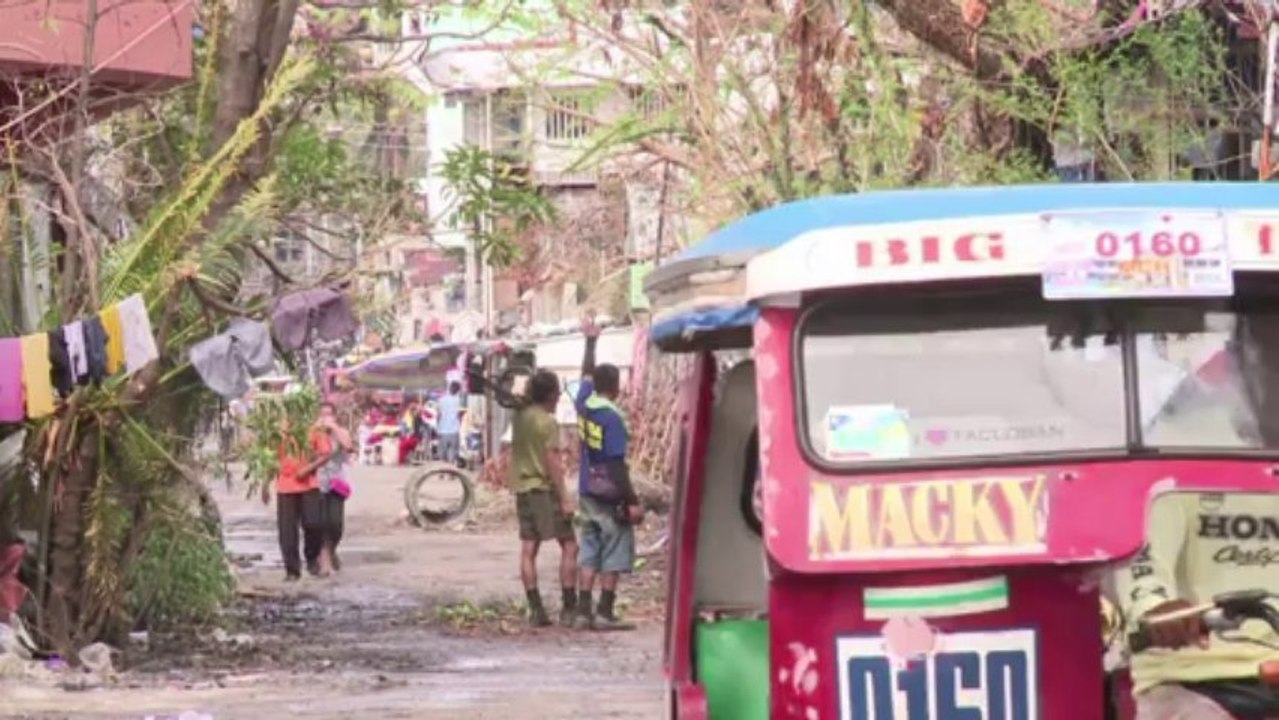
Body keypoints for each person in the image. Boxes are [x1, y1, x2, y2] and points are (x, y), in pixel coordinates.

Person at [1116, 492, 1279, 719]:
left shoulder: (1267, 469)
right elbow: (1144, 561)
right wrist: (1155, 606)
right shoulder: (1174, 481)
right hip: (1189, 676)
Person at [574, 313, 643, 631]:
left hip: (587, 487)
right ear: (617, 387)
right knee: (614, 550)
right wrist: (631, 499)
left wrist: (590, 342)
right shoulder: (612, 418)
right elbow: (616, 464)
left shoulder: (585, 404)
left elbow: (585, 375)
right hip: (609, 492)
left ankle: (582, 611)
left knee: (589, 548)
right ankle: (604, 612)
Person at [510, 369, 578, 627]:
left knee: (529, 549)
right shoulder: (547, 422)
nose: (559, 396)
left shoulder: (520, 417)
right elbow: (552, 461)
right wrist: (565, 497)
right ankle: (569, 607)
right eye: (557, 392)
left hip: (523, 488)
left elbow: (516, 395)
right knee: (570, 545)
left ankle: (535, 608)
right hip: (543, 488)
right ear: (551, 395)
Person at [264, 416, 326, 581]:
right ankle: (292, 570)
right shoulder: (278, 430)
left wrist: (308, 469)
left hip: (309, 484)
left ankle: (312, 559)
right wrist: (265, 485)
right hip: (285, 486)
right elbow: (271, 459)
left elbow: (325, 454)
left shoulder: (314, 428)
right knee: (287, 531)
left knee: (314, 523)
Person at [309, 402, 354, 575]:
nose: (325, 418)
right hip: (317, 482)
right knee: (320, 523)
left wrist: (333, 428)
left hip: (336, 482)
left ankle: (331, 550)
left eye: (329, 414)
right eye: (322, 414)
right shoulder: (313, 433)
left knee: (336, 524)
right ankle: (324, 557)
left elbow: (348, 446)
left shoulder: (340, 432)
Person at [437, 381, 464, 465]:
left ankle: (442, 472)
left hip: (443, 430)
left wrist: (438, 427)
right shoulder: (459, 401)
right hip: (454, 430)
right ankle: (450, 473)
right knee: (453, 452)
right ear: (458, 390)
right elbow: (460, 415)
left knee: (443, 453)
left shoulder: (441, 400)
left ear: (450, 388)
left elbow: (439, 415)